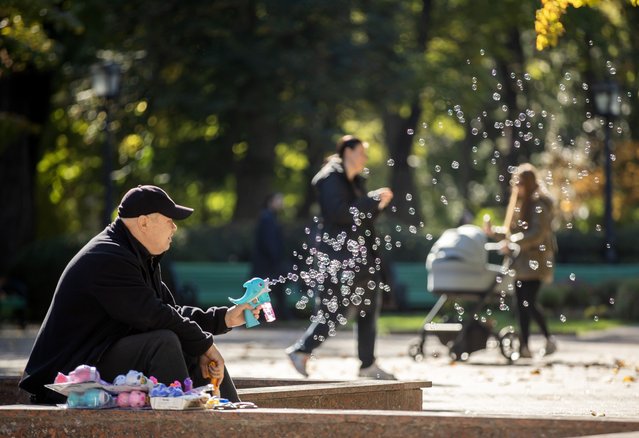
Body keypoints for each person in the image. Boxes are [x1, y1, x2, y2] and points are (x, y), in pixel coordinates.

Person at [19, 185, 260, 404]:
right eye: (169, 220)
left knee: (185, 340)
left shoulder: (137, 255)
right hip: (66, 375)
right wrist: (205, 344)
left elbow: (169, 313)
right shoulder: (107, 257)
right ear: (143, 222)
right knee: (164, 342)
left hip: (98, 357)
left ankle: (234, 419)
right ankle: (183, 424)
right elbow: (153, 315)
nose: (175, 227)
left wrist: (225, 318)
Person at [286, 135, 395, 379]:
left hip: (357, 258)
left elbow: (361, 219)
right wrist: (371, 200)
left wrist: (378, 205)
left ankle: (367, 364)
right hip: (336, 258)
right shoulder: (329, 179)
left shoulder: (355, 181)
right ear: (347, 152)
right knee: (334, 313)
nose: (365, 158)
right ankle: (301, 350)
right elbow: (339, 214)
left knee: (369, 303)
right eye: (362, 153)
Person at [484, 163, 558, 358]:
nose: (517, 187)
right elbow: (513, 233)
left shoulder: (539, 205)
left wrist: (513, 242)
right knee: (521, 304)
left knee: (529, 303)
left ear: (529, 183)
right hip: (521, 263)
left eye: (520, 183)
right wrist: (494, 232)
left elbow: (537, 234)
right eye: (515, 183)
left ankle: (547, 339)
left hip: (536, 262)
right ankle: (524, 346)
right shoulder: (522, 204)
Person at [250, 192, 293, 320]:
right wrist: (276, 258)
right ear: (270, 202)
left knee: (267, 293)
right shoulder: (267, 218)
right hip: (267, 265)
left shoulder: (269, 217)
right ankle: (273, 316)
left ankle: (266, 317)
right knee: (265, 293)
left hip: (266, 265)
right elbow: (269, 242)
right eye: (278, 200)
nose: (281, 203)